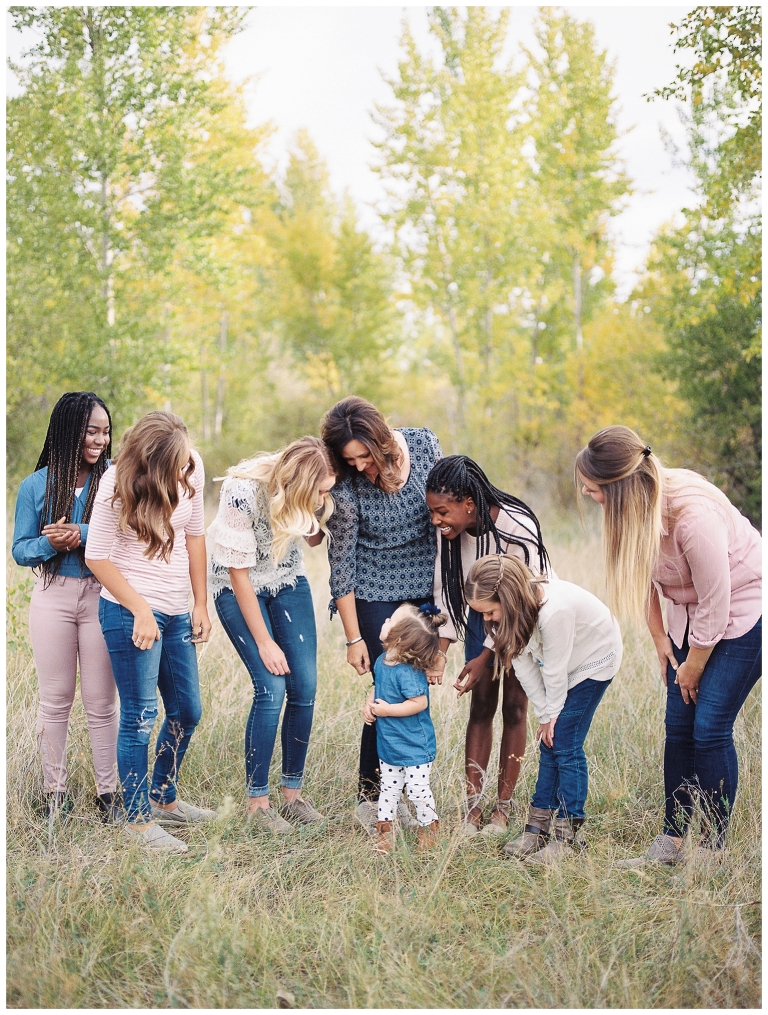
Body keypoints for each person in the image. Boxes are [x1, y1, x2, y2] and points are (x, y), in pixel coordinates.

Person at [575, 426, 761, 866]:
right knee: (678, 727)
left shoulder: (693, 518)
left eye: (592, 487)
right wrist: (661, 638)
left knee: (709, 727)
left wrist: (693, 665)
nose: (585, 494)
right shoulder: (629, 509)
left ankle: (712, 849)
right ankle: (671, 841)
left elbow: (717, 602)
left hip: (744, 609)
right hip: (690, 616)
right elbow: (639, 573)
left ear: (619, 486)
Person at [85, 411, 215, 853]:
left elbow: (195, 537)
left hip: (177, 610)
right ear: (152, 464)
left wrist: (200, 602)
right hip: (129, 611)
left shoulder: (191, 466)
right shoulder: (115, 483)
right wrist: (139, 608)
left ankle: (163, 797)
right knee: (139, 716)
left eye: (185, 462)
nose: (184, 472)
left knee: (187, 711)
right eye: (174, 467)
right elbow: (96, 556)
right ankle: (138, 823)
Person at [321, 396, 442, 835]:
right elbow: (342, 563)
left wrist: (444, 614)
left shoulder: (425, 446)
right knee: (388, 687)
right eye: (348, 459)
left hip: (424, 591)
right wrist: (353, 638)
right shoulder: (346, 484)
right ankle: (372, 797)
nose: (358, 466)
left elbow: (444, 519)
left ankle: (407, 790)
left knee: (416, 692)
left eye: (364, 456)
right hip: (373, 591)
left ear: (382, 442)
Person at [209, 436, 335, 833]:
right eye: (318, 491)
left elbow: (313, 536)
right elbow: (239, 576)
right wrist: (265, 642)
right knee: (271, 687)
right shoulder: (241, 491)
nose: (322, 498)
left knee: (305, 685)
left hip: (287, 581)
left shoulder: (309, 496)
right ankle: (257, 804)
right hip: (237, 587)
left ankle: (292, 797)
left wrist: (319, 511)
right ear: (299, 484)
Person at [465, 555, 622, 862]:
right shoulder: (510, 620)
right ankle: (537, 829)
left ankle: (568, 837)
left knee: (565, 741)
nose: (487, 619)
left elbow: (554, 671)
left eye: (490, 611)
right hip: (563, 666)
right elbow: (525, 670)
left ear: (507, 598)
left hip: (593, 660)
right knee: (549, 741)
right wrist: (544, 715)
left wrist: (552, 716)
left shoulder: (553, 612)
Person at [426, 455, 551, 837]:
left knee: (514, 707)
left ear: (469, 503)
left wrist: (484, 657)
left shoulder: (517, 526)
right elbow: (445, 592)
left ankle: (502, 810)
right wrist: (440, 653)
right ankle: (473, 809)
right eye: (432, 512)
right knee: (480, 706)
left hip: (525, 619)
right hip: (483, 616)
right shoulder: (451, 532)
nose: (436, 520)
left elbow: (526, 601)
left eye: (442, 512)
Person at [12, 391, 119, 821]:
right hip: (52, 596)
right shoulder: (34, 485)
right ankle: (54, 795)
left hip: (101, 595)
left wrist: (82, 532)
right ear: (69, 431)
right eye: (92, 431)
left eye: (105, 432)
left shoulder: (113, 480)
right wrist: (49, 544)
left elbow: (128, 533)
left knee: (102, 701)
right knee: (55, 700)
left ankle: (108, 795)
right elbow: (20, 550)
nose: (100, 440)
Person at [363, 603, 445, 854]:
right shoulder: (381, 661)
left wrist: (388, 710)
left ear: (399, 638)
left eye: (391, 620)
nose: (385, 620)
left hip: (414, 746)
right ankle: (385, 833)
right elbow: (378, 687)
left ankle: (429, 830)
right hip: (390, 743)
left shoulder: (408, 672)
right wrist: (370, 703)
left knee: (417, 790)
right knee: (388, 788)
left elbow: (419, 703)